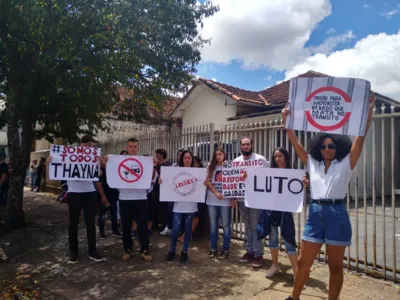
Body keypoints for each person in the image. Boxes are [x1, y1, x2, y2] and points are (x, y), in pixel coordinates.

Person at [282, 93, 376, 300]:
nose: (327, 149)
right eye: (323, 146)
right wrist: (287, 122)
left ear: (338, 147)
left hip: (337, 214)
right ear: (318, 147)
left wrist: (368, 111)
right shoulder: (311, 163)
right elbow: (294, 141)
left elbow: (361, 136)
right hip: (315, 214)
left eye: (331, 146)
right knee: (303, 261)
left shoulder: (346, 163)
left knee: (335, 265)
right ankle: (293, 297)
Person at [47, 135, 107, 264]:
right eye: (89, 144)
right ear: (83, 144)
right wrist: (51, 162)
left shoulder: (93, 157)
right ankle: (73, 253)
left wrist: (100, 166)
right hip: (74, 193)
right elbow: (58, 169)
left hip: (90, 192)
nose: (91, 147)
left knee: (90, 223)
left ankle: (93, 251)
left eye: (92, 145)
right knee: (73, 223)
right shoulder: (70, 155)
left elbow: (98, 174)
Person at [104, 138, 155, 262]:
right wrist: (107, 164)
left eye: (135, 146)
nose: (132, 148)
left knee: (142, 226)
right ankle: (127, 250)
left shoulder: (144, 162)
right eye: (130, 146)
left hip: (141, 198)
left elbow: (151, 178)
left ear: (138, 148)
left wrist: (153, 166)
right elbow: (112, 176)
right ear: (127, 148)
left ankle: (145, 250)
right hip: (124, 198)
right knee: (126, 226)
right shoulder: (118, 162)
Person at [234, 136, 269, 268]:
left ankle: (258, 254)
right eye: (243, 144)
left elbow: (267, 178)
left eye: (248, 144)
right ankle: (250, 251)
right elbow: (232, 182)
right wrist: (233, 198)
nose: (246, 146)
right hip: (241, 199)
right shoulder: (236, 161)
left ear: (252, 145)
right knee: (247, 226)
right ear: (241, 146)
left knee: (255, 226)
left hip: (256, 199)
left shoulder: (260, 160)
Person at [263, 147, 298, 278]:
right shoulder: (270, 172)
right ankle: (275, 265)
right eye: (275, 156)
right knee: (272, 239)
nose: (277, 159)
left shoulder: (293, 173)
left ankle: (296, 271)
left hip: (286, 211)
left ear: (286, 157)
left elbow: (297, 190)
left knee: (289, 239)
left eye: (280, 156)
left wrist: (303, 184)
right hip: (272, 210)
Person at [162, 150, 198, 263]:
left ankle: (184, 251)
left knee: (187, 230)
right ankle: (172, 250)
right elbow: (167, 182)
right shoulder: (175, 171)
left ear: (192, 160)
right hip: (178, 206)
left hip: (191, 206)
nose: (187, 159)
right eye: (185, 157)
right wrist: (161, 180)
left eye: (189, 158)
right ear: (182, 159)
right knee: (175, 229)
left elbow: (202, 186)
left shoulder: (197, 172)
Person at [205, 147, 232, 259]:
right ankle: (213, 248)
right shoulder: (210, 167)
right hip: (212, 200)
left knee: (226, 226)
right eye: (216, 155)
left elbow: (234, 182)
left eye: (220, 154)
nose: (218, 156)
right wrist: (216, 193)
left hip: (225, 201)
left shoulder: (230, 167)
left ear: (224, 155)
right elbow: (207, 182)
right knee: (213, 225)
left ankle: (225, 249)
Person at [178, 155, 204, 243]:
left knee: (196, 216)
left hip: (199, 198)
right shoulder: (187, 172)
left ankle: (186, 235)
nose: (194, 164)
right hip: (189, 198)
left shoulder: (202, 172)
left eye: (196, 162)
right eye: (194, 162)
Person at [98, 162, 121, 239]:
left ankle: (115, 230)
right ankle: (102, 232)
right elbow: (98, 184)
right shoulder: (102, 171)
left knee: (114, 215)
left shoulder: (116, 171)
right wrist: (103, 196)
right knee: (102, 215)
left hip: (114, 196)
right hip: (104, 196)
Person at [152, 149, 171, 234]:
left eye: (158, 154)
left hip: (163, 189)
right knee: (154, 207)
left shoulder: (167, 165)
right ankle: (154, 224)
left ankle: (163, 225)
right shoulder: (155, 164)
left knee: (163, 208)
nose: (156, 156)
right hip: (155, 188)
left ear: (162, 155)